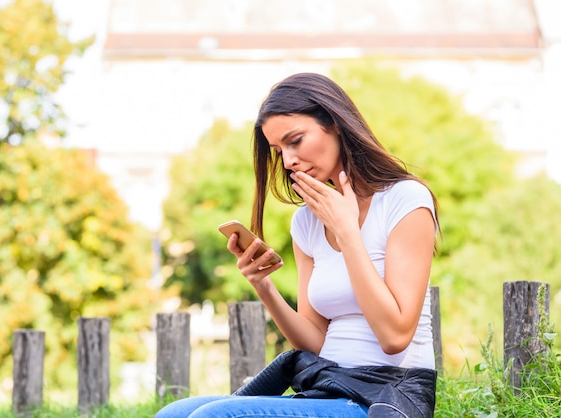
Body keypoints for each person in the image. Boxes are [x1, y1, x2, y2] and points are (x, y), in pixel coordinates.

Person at [156, 72, 440, 417]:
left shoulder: (404, 200)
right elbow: (316, 342)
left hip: (387, 395)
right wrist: (263, 286)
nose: (288, 161)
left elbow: (395, 337)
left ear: (334, 124)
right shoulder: (306, 222)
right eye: (279, 151)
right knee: (174, 413)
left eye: (295, 141)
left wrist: (348, 234)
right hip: (329, 386)